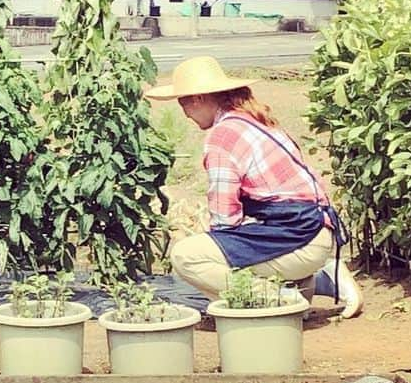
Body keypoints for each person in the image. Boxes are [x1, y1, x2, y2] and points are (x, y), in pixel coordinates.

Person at [145, 56, 362, 318]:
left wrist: (218, 247)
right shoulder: (252, 119)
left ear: (199, 98)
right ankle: (322, 280)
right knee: (230, 246)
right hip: (312, 231)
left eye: (183, 103)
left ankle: (281, 301)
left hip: (299, 235)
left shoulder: (223, 135)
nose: (184, 114)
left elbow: (224, 216)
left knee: (187, 257)